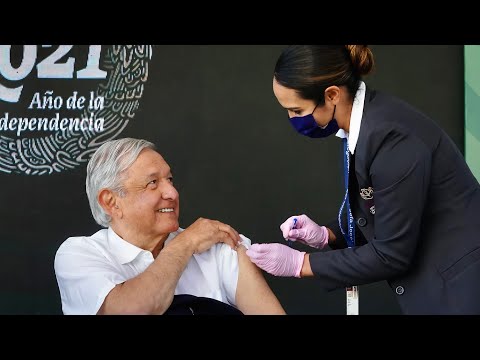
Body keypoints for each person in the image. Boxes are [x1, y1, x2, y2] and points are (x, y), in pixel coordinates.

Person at [246, 45, 480, 315]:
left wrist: (302, 264)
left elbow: (391, 254)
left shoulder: (393, 140)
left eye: (297, 110)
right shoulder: (362, 126)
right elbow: (389, 214)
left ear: (332, 94)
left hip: (462, 287)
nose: (292, 119)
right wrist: (327, 235)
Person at [54, 137, 285, 315]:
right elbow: (130, 310)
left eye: (170, 180)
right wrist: (184, 243)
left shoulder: (218, 248)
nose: (172, 193)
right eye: (152, 183)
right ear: (111, 202)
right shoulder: (79, 254)